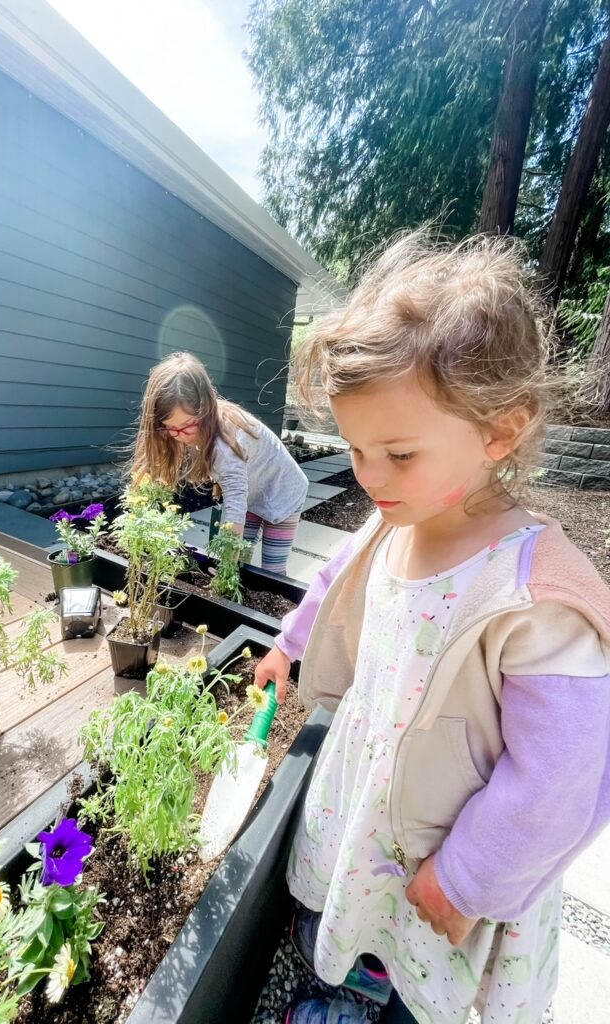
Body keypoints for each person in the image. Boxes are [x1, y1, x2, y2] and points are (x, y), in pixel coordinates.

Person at [253, 232, 610, 1024]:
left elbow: (562, 777)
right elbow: (335, 579)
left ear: (500, 431)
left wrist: (465, 880)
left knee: (421, 957)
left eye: (399, 453)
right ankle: (348, 982)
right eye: (354, 450)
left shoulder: (537, 601)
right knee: (359, 921)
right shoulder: (394, 522)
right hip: (371, 805)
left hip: (445, 855)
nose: (368, 477)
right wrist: (289, 645)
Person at [131, 351, 308, 575]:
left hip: (284, 494)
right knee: (240, 559)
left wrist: (225, 567)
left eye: (187, 425)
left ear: (205, 409)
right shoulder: (193, 428)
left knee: (271, 571)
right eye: (171, 427)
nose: (181, 435)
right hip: (252, 493)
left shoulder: (225, 444)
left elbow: (235, 506)